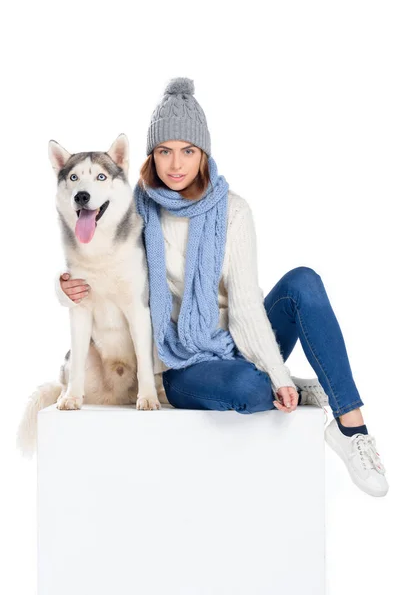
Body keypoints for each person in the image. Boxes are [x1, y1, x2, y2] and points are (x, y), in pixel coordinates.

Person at [55, 77, 388, 497]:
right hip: (184, 362)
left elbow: (247, 305)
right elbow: (97, 260)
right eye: (164, 151)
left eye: (187, 151)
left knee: (304, 281)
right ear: (151, 157)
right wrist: (62, 287)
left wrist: (277, 369)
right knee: (247, 390)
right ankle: (284, 385)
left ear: (204, 154)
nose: (176, 164)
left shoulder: (233, 211)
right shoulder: (132, 208)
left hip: (241, 342)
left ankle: (351, 429)